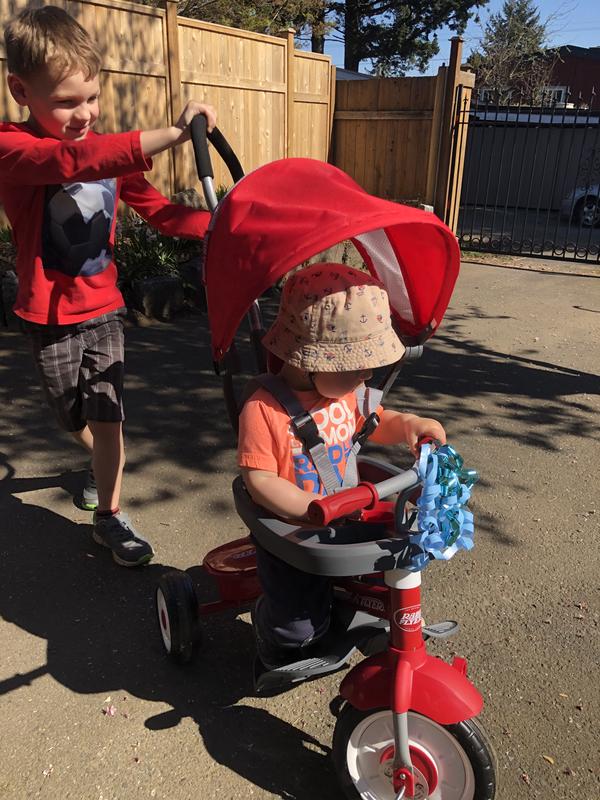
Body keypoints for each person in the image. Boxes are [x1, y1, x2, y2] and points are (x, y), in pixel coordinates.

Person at [0, 6, 217, 566]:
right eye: (66, 102)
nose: (84, 114)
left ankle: (110, 516)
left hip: (103, 313)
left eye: (91, 98)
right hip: (47, 318)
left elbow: (164, 213)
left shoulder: (109, 157)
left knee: (107, 412)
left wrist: (221, 225)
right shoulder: (12, 148)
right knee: (72, 417)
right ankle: (100, 463)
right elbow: (73, 160)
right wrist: (170, 130)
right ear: (20, 91)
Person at [237, 263, 446, 668]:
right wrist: (308, 508)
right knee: (295, 631)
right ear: (307, 361)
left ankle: (350, 619)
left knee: (382, 579)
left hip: (348, 516)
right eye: (356, 366)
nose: (366, 374)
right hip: (293, 533)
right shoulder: (263, 409)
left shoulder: (345, 394)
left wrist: (412, 425)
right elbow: (258, 478)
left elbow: (377, 421)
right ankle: (267, 626)